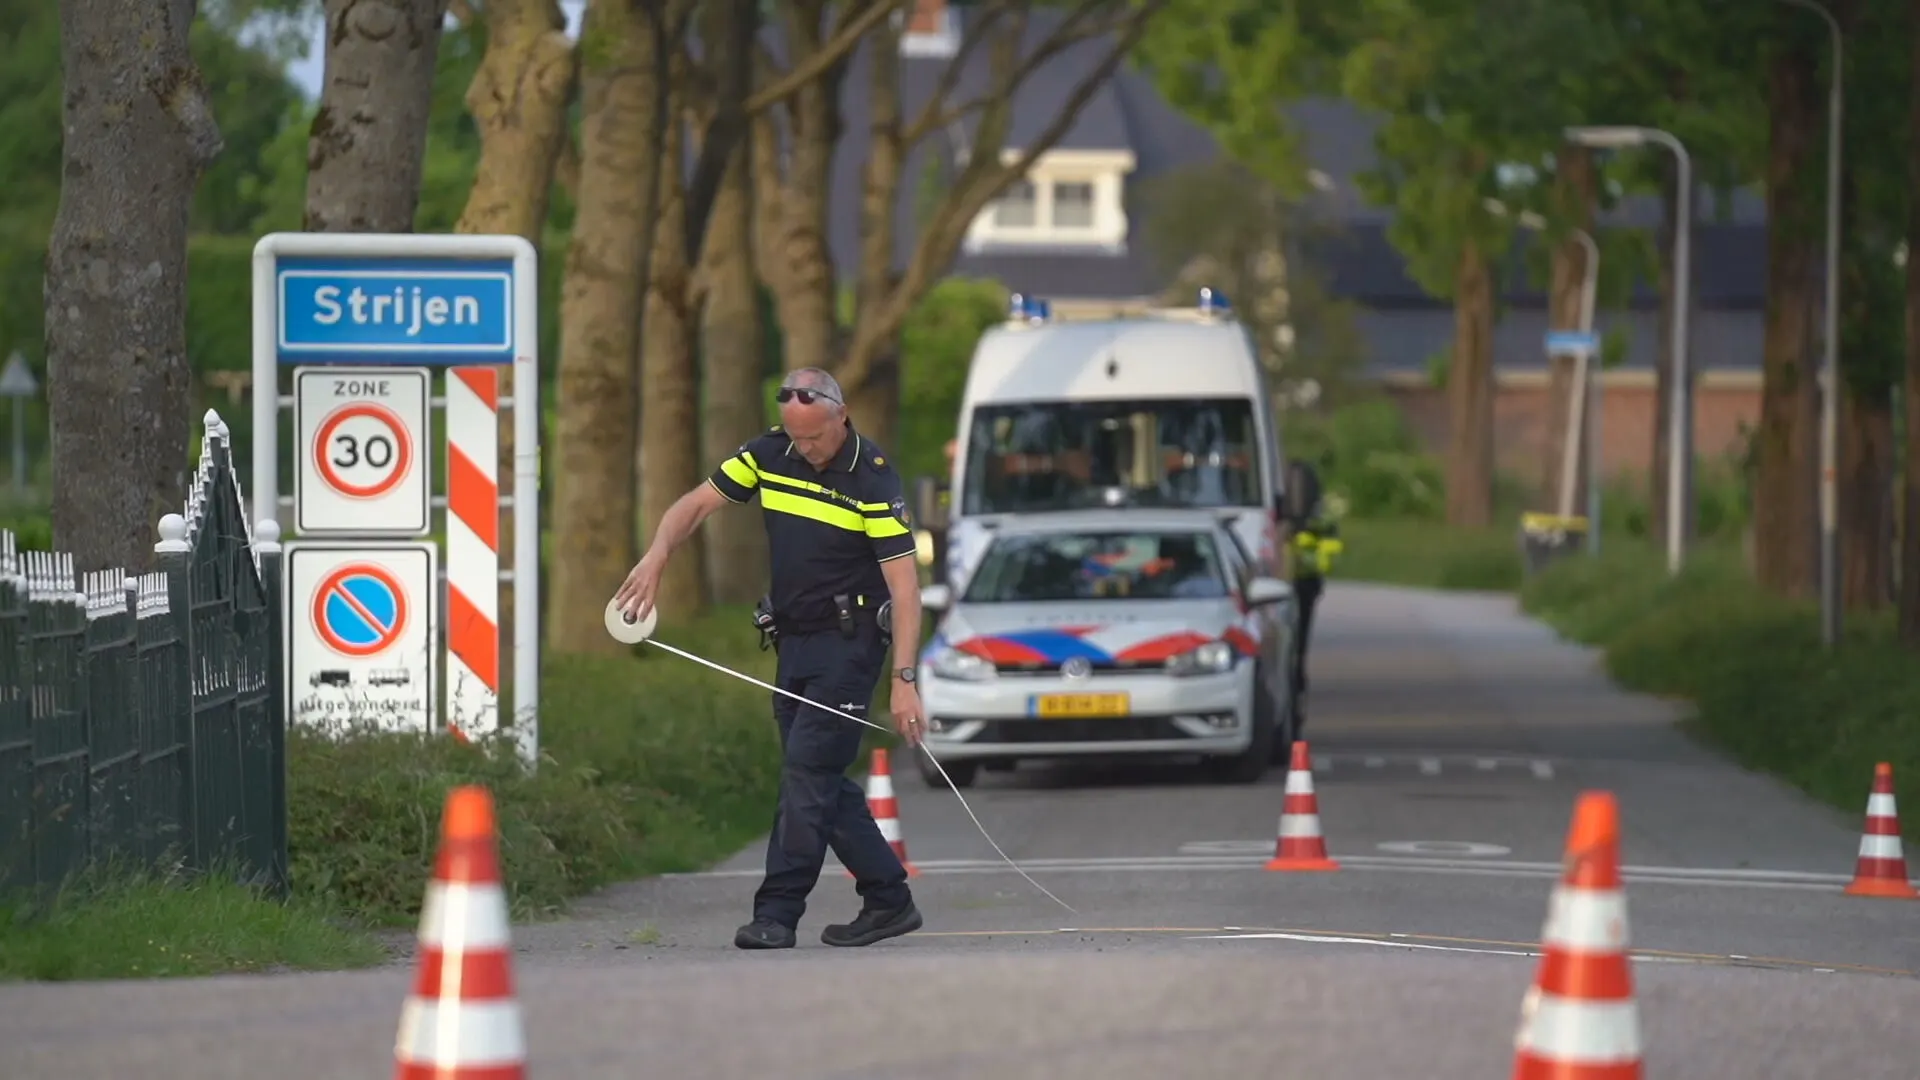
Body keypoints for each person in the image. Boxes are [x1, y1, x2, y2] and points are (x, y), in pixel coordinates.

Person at [613, 367, 927, 951]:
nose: (804, 448)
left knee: (806, 775)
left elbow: (906, 590)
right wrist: (658, 555)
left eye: (815, 437)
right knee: (821, 779)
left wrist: (904, 680)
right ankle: (889, 899)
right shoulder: (767, 453)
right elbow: (695, 505)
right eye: (795, 436)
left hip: (851, 642)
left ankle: (776, 914)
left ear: (841, 416)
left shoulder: (872, 477)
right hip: (794, 641)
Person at [1287, 488, 1342, 731]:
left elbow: (1330, 546)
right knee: (1294, 651)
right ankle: (1293, 704)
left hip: (1301, 585)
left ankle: (1295, 705)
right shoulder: (1317, 518)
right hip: (1296, 585)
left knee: (1296, 651)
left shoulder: (1310, 521)